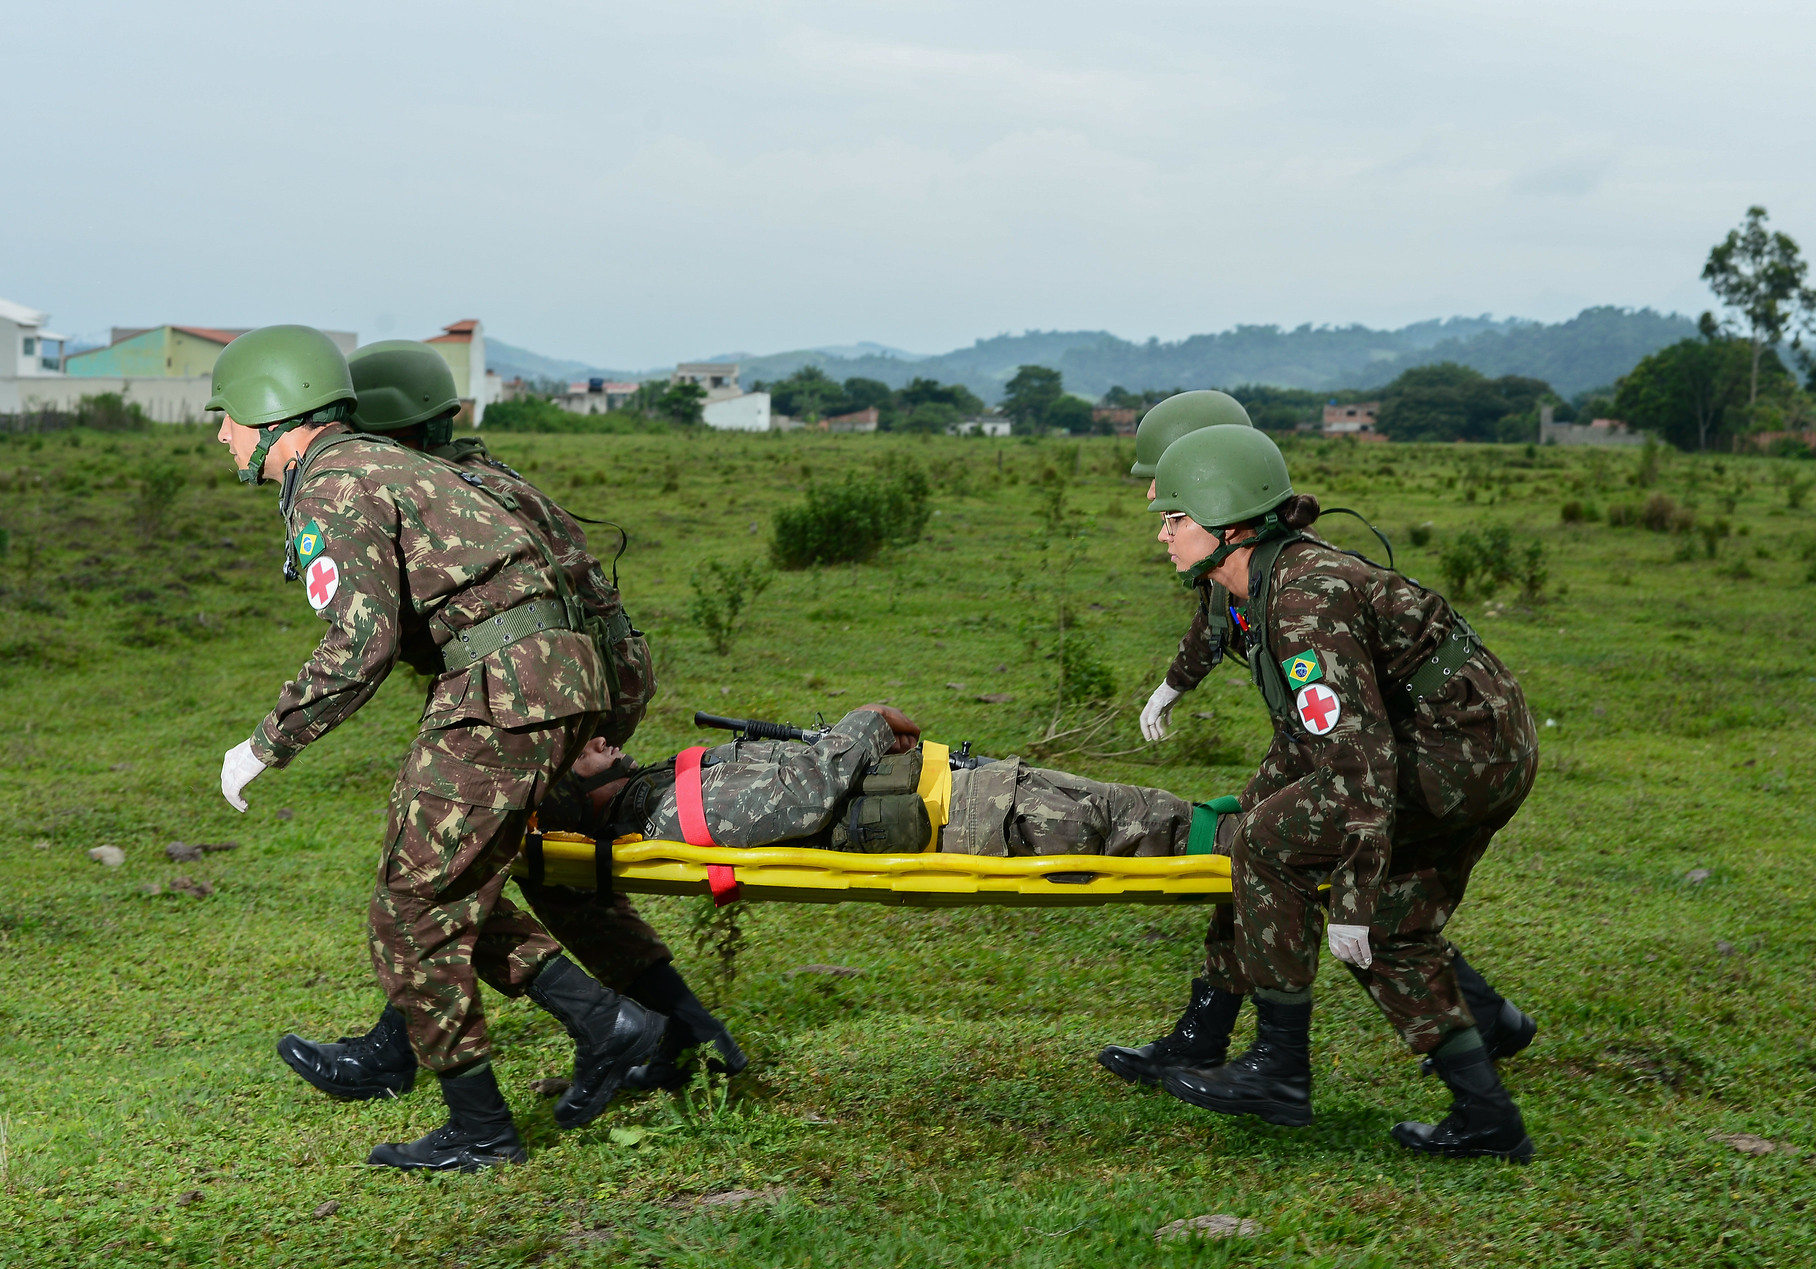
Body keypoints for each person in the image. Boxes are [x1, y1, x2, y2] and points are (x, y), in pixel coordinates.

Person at [210, 325, 665, 1172]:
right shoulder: (371, 465)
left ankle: (483, 1130)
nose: (222, 436)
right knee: (448, 893)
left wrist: (267, 742)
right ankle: (611, 1023)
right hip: (535, 679)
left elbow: (360, 643)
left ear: (273, 412)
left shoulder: (334, 485)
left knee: (408, 911)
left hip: (504, 690)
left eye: (227, 417)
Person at [273, 340, 743, 1105]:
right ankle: (684, 1033)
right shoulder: (476, 479)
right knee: (494, 864)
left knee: (462, 869)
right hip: (571, 687)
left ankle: (648, 1032)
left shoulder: (438, 487)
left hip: (543, 697)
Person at [1102, 393, 1535, 1094]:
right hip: (1437, 730)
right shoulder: (1255, 567)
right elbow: (1220, 624)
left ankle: (1282, 1067)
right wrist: (1174, 684)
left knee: (1318, 872)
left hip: (1455, 747)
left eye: (1170, 503)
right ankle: (1205, 1035)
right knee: (1255, 833)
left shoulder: (1303, 594)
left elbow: (1359, 763)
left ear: (1225, 498)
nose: (1154, 507)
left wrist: (1356, 894)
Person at [545, 703, 1241, 861]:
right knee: (1159, 826)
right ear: (575, 797)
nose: (594, 739)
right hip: (977, 818)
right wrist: (868, 719)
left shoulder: (668, 792)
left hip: (973, 795)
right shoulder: (678, 814)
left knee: (1156, 810)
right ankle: (1290, 845)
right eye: (578, 753)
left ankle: (1277, 831)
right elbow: (807, 793)